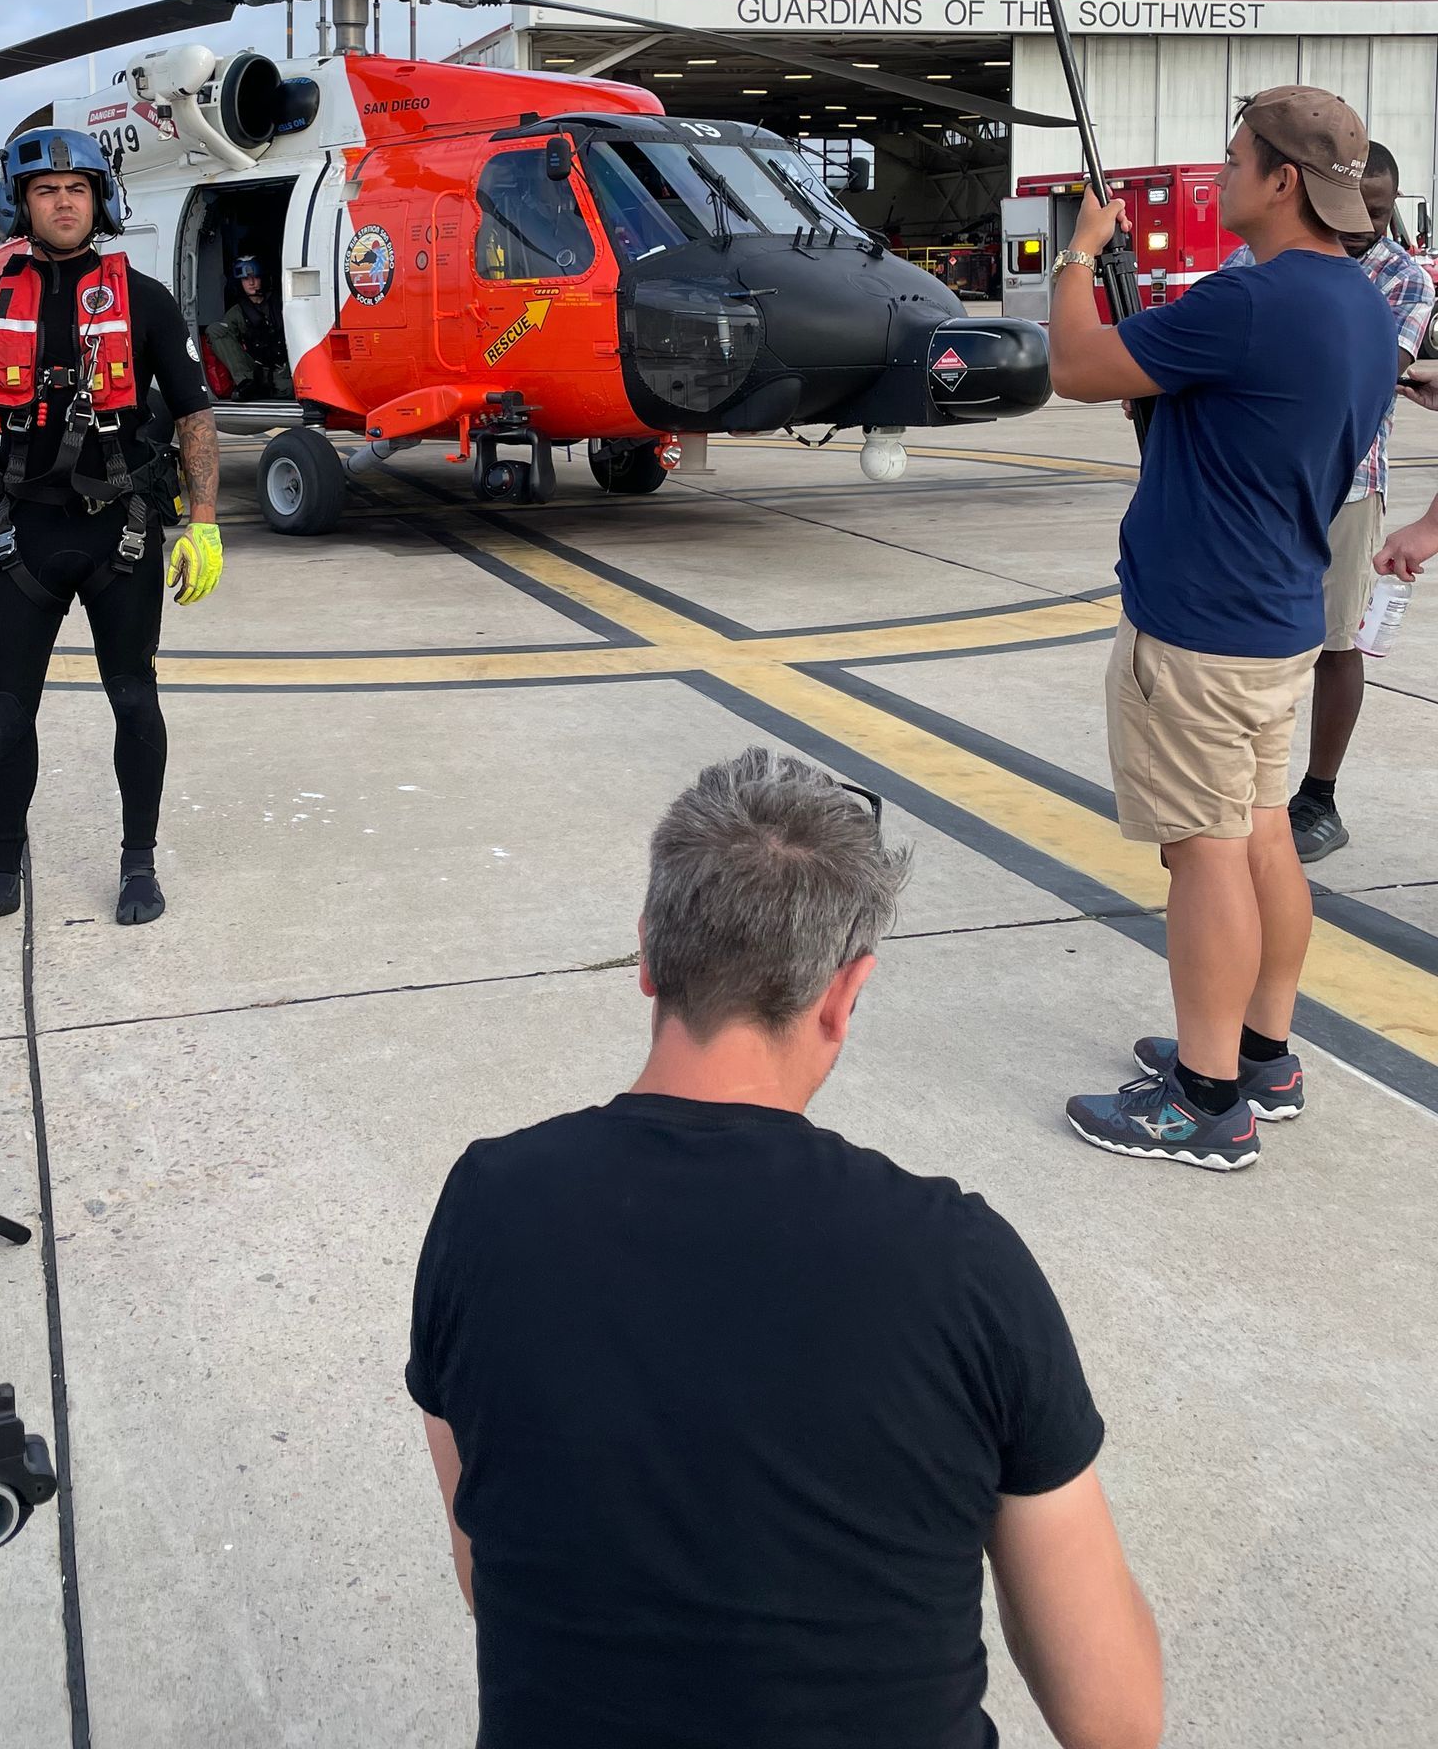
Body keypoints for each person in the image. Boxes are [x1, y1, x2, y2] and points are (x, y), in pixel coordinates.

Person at [408, 749, 1163, 1749]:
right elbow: (1115, 1719)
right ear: (845, 995)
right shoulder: (962, 1266)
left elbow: (489, 1571)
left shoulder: (485, 1209)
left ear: (647, 954)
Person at [1047, 90, 1397, 1169]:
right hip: (1278, 617)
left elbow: (1072, 365)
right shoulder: (1361, 307)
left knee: (1203, 855)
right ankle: (1264, 1051)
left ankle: (1204, 1099)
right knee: (1257, 833)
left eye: (1236, 156)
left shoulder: (1248, 301)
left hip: (1200, 626)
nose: (1225, 171)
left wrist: (1078, 257)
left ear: (1283, 181)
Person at [0, 128, 223, 936]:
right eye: (47, 190)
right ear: (20, 203)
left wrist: (206, 523)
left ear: (100, 199)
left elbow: (194, 415)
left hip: (123, 533)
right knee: (7, 714)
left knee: (133, 700)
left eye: (78, 188)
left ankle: (139, 865)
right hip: (23, 540)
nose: (65, 201)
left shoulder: (143, 299)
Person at [1220, 144, 1433, 860]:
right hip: (1253, 487)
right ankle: (1241, 788)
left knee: (1336, 642)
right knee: (1246, 638)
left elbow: (1369, 371)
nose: (1361, 224)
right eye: (1349, 209)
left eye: (1376, 212)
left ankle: (1320, 796)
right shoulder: (1253, 260)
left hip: (1346, 485)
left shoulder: (1402, 278)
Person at [205, 252, 292, 398]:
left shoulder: (282, 305)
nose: (251, 283)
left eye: (255, 277)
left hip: (284, 369)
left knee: (291, 390)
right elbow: (223, 338)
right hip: (256, 370)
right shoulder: (237, 313)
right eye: (245, 279)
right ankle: (247, 383)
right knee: (215, 330)